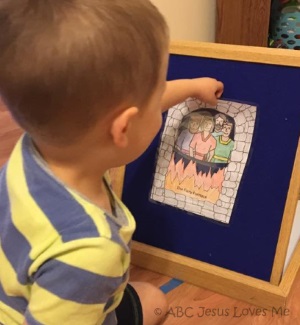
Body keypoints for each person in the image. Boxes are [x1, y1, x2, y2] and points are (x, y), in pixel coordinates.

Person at [0, 1, 224, 324]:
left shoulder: (37, 146)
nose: (161, 94)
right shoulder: (90, 249)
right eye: (158, 89)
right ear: (122, 128)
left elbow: (132, 108)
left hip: (18, 290)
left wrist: (192, 88)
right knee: (156, 302)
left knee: (150, 297)